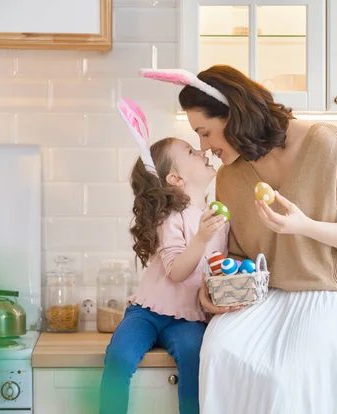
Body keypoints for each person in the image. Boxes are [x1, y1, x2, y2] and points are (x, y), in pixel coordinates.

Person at [139, 65, 337, 413]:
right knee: (218, 351)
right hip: (268, 296)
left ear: (233, 117)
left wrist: (306, 226)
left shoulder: (324, 143)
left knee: (289, 377)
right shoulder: (230, 176)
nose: (204, 146)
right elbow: (240, 255)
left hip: (334, 292)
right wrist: (211, 291)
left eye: (206, 132)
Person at [99, 99, 229, 414]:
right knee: (119, 355)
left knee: (195, 358)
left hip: (189, 316)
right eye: (190, 151)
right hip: (148, 312)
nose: (202, 150)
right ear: (175, 179)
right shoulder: (171, 217)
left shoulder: (216, 217)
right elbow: (176, 271)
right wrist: (201, 237)